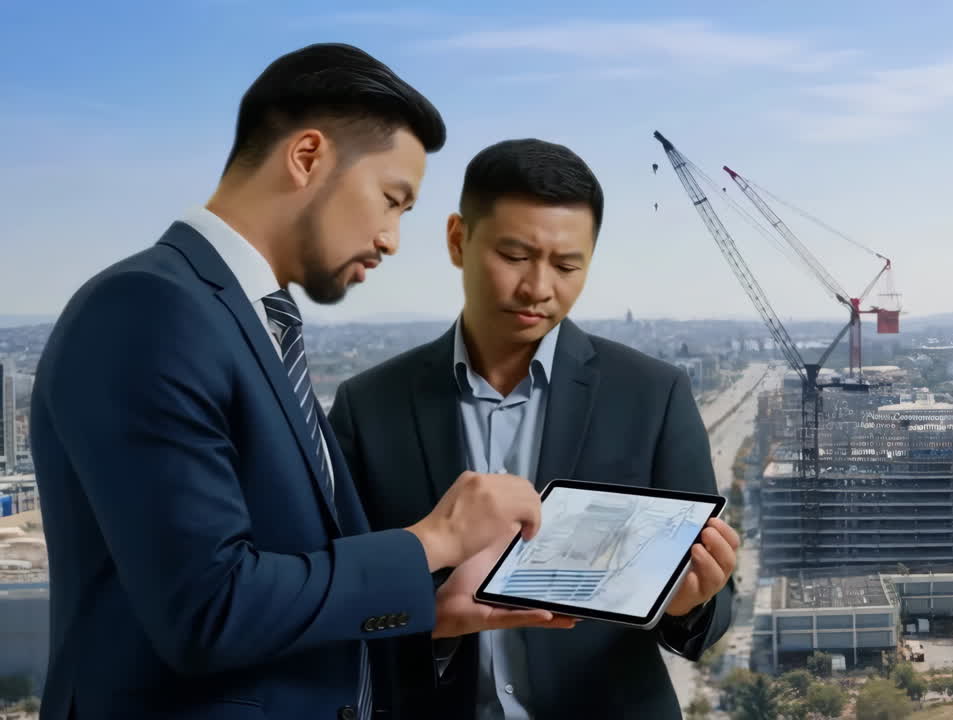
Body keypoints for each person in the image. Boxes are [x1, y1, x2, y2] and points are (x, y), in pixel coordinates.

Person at [28, 44, 569, 720]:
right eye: (391, 200)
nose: (392, 239)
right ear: (307, 157)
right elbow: (210, 608)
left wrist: (425, 610)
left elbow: (277, 587)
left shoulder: (250, 324)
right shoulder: (148, 309)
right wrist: (434, 541)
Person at [329, 138, 739, 719]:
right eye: (516, 256)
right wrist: (433, 623)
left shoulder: (652, 395)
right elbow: (337, 602)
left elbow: (712, 619)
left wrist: (690, 605)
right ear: (457, 240)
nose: (539, 288)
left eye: (568, 265)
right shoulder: (369, 406)